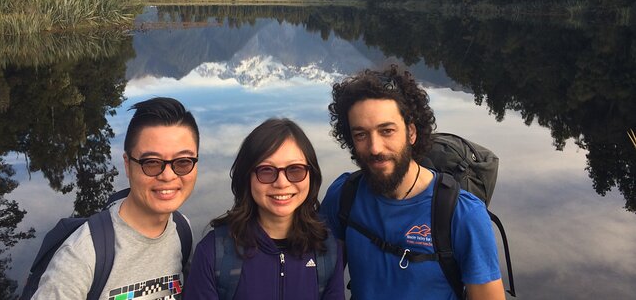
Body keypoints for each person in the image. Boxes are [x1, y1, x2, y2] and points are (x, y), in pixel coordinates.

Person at [320, 66, 505, 300]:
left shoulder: (462, 214)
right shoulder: (343, 195)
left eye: (386, 131)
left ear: (411, 133)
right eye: (361, 134)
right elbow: (321, 280)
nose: (375, 147)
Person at [32, 97, 200, 299]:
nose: (168, 176)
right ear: (128, 165)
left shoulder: (182, 231)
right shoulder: (81, 254)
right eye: (152, 163)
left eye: (183, 162)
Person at [184, 118, 344, 299]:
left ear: (311, 175)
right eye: (266, 170)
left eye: (295, 169)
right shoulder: (214, 253)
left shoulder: (326, 250)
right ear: (247, 177)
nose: (282, 183)